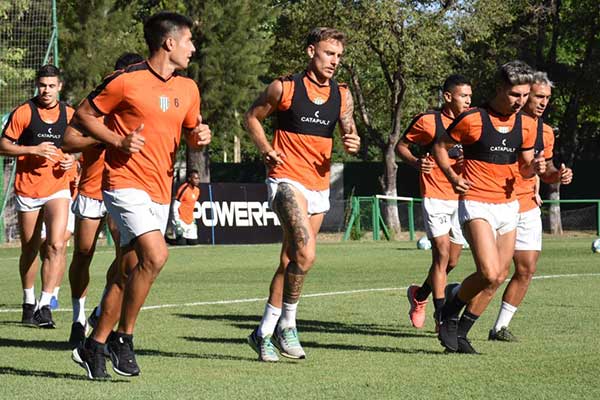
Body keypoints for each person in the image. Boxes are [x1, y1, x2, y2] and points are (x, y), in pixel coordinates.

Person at [70, 12, 211, 380]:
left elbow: (193, 131)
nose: (193, 48)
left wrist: (200, 137)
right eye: (189, 41)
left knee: (127, 270)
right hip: (122, 184)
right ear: (169, 43)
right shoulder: (125, 81)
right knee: (157, 254)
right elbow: (83, 115)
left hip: (160, 190)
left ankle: (93, 345)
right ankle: (123, 338)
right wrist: (117, 140)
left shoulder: (188, 89)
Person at [244, 27, 361, 362]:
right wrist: (266, 148)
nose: (334, 61)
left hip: (319, 185)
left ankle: (263, 332)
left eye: (338, 56)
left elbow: (350, 133)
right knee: (307, 254)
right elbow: (252, 117)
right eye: (328, 53)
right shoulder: (286, 87)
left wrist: (353, 142)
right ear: (311, 51)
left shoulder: (342, 94)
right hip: (285, 180)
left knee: (291, 260)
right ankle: (288, 326)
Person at [432, 60, 546, 354]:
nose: (520, 101)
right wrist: (453, 177)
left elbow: (523, 169)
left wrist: (535, 167)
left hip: (509, 207)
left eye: (524, 95)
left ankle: (462, 333)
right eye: (514, 95)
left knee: (498, 276)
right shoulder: (473, 119)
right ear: (499, 88)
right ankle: (447, 312)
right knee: (490, 272)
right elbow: (440, 148)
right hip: (476, 202)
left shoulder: (528, 125)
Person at [62, 53, 144, 348]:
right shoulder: (97, 105)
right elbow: (68, 141)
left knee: (127, 260)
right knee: (83, 253)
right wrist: (104, 139)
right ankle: (77, 317)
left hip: (125, 188)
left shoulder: (140, 106)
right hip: (93, 189)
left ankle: (101, 314)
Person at [488, 71, 573, 341]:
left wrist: (557, 175)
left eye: (546, 98)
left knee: (526, 269)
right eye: (538, 96)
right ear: (524, 95)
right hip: (500, 203)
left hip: (528, 205)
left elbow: (545, 169)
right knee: (495, 274)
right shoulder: (503, 123)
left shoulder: (546, 132)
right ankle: (456, 298)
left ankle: (500, 327)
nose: (542, 102)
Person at [0, 65, 75, 328]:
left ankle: (45, 306)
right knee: (30, 248)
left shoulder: (70, 114)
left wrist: (72, 159)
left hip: (58, 187)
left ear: (60, 87)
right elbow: (3, 145)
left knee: (56, 244)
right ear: (37, 85)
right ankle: (28, 300)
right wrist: (33, 149)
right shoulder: (24, 112)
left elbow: (82, 145)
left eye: (51, 85)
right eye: (43, 85)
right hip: (28, 189)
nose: (46, 90)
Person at [396, 74, 472, 330]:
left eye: (470, 96)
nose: (468, 101)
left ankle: (419, 296)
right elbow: (401, 146)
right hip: (435, 195)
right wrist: (417, 162)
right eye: (464, 96)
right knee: (440, 254)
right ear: (448, 97)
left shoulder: (473, 123)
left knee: (451, 261)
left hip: (462, 199)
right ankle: (442, 317)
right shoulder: (428, 121)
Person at [171, 169, 201, 245]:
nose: (197, 180)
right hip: (181, 220)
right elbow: (175, 206)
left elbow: (191, 206)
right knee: (182, 243)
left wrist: (193, 219)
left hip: (190, 221)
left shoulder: (197, 191)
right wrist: (177, 221)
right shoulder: (183, 189)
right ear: (189, 179)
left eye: (198, 178)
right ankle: (168, 240)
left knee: (193, 243)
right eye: (195, 178)